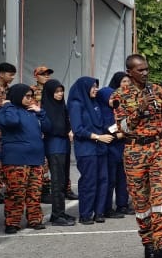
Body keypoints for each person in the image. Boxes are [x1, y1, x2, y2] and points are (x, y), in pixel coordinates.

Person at [112, 54, 162, 258]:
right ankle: (148, 243)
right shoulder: (120, 95)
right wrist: (139, 110)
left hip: (157, 148)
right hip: (134, 152)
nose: (145, 73)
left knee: (160, 199)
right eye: (140, 70)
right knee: (141, 203)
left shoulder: (157, 90)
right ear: (129, 72)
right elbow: (121, 128)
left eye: (146, 69)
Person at [0, 83, 50, 233]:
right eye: (27, 96)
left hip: (36, 158)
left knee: (34, 192)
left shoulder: (32, 112)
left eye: (31, 96)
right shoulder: (6, 111)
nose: (30, 99)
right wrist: (8, 105)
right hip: (16, 159)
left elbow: (48, 128)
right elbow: (11, 122)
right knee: (16, 192)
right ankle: (12, 222)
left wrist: (40, 112)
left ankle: (34, 219)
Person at [68, 77, 112, 224]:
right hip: (87, 149)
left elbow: (102, 124)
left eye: (96, 86)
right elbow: (78, 129)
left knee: (103, 180)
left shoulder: (95, 103)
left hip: (101, 147)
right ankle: (85, 213)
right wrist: (98, 137)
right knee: (89, 181)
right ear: (84, 88)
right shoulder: (76, 104)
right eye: (93, 87)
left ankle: (99, 212)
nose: (96, 89)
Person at [41, 79, 75, 226]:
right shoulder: (45, 108)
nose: (60, 94)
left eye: (61, 91)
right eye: (56, 91)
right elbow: (50, 128)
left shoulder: (61, 106)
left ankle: (60, 212)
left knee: (63, 182)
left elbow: (65, 124)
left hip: (64, 146)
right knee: (57, 182)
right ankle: (56, 215)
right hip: (54, 147)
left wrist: (69, 130)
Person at [97, 83, 131, 216]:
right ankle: (107, 208)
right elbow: (101, 130)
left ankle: (122, 205)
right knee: (110, 180)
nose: (114, 100)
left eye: (115, 97)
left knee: (123, 179)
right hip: (108, 149)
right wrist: (117, 135)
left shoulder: (119, 110)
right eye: (111, 98)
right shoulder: (99, 112)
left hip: (121, 148)